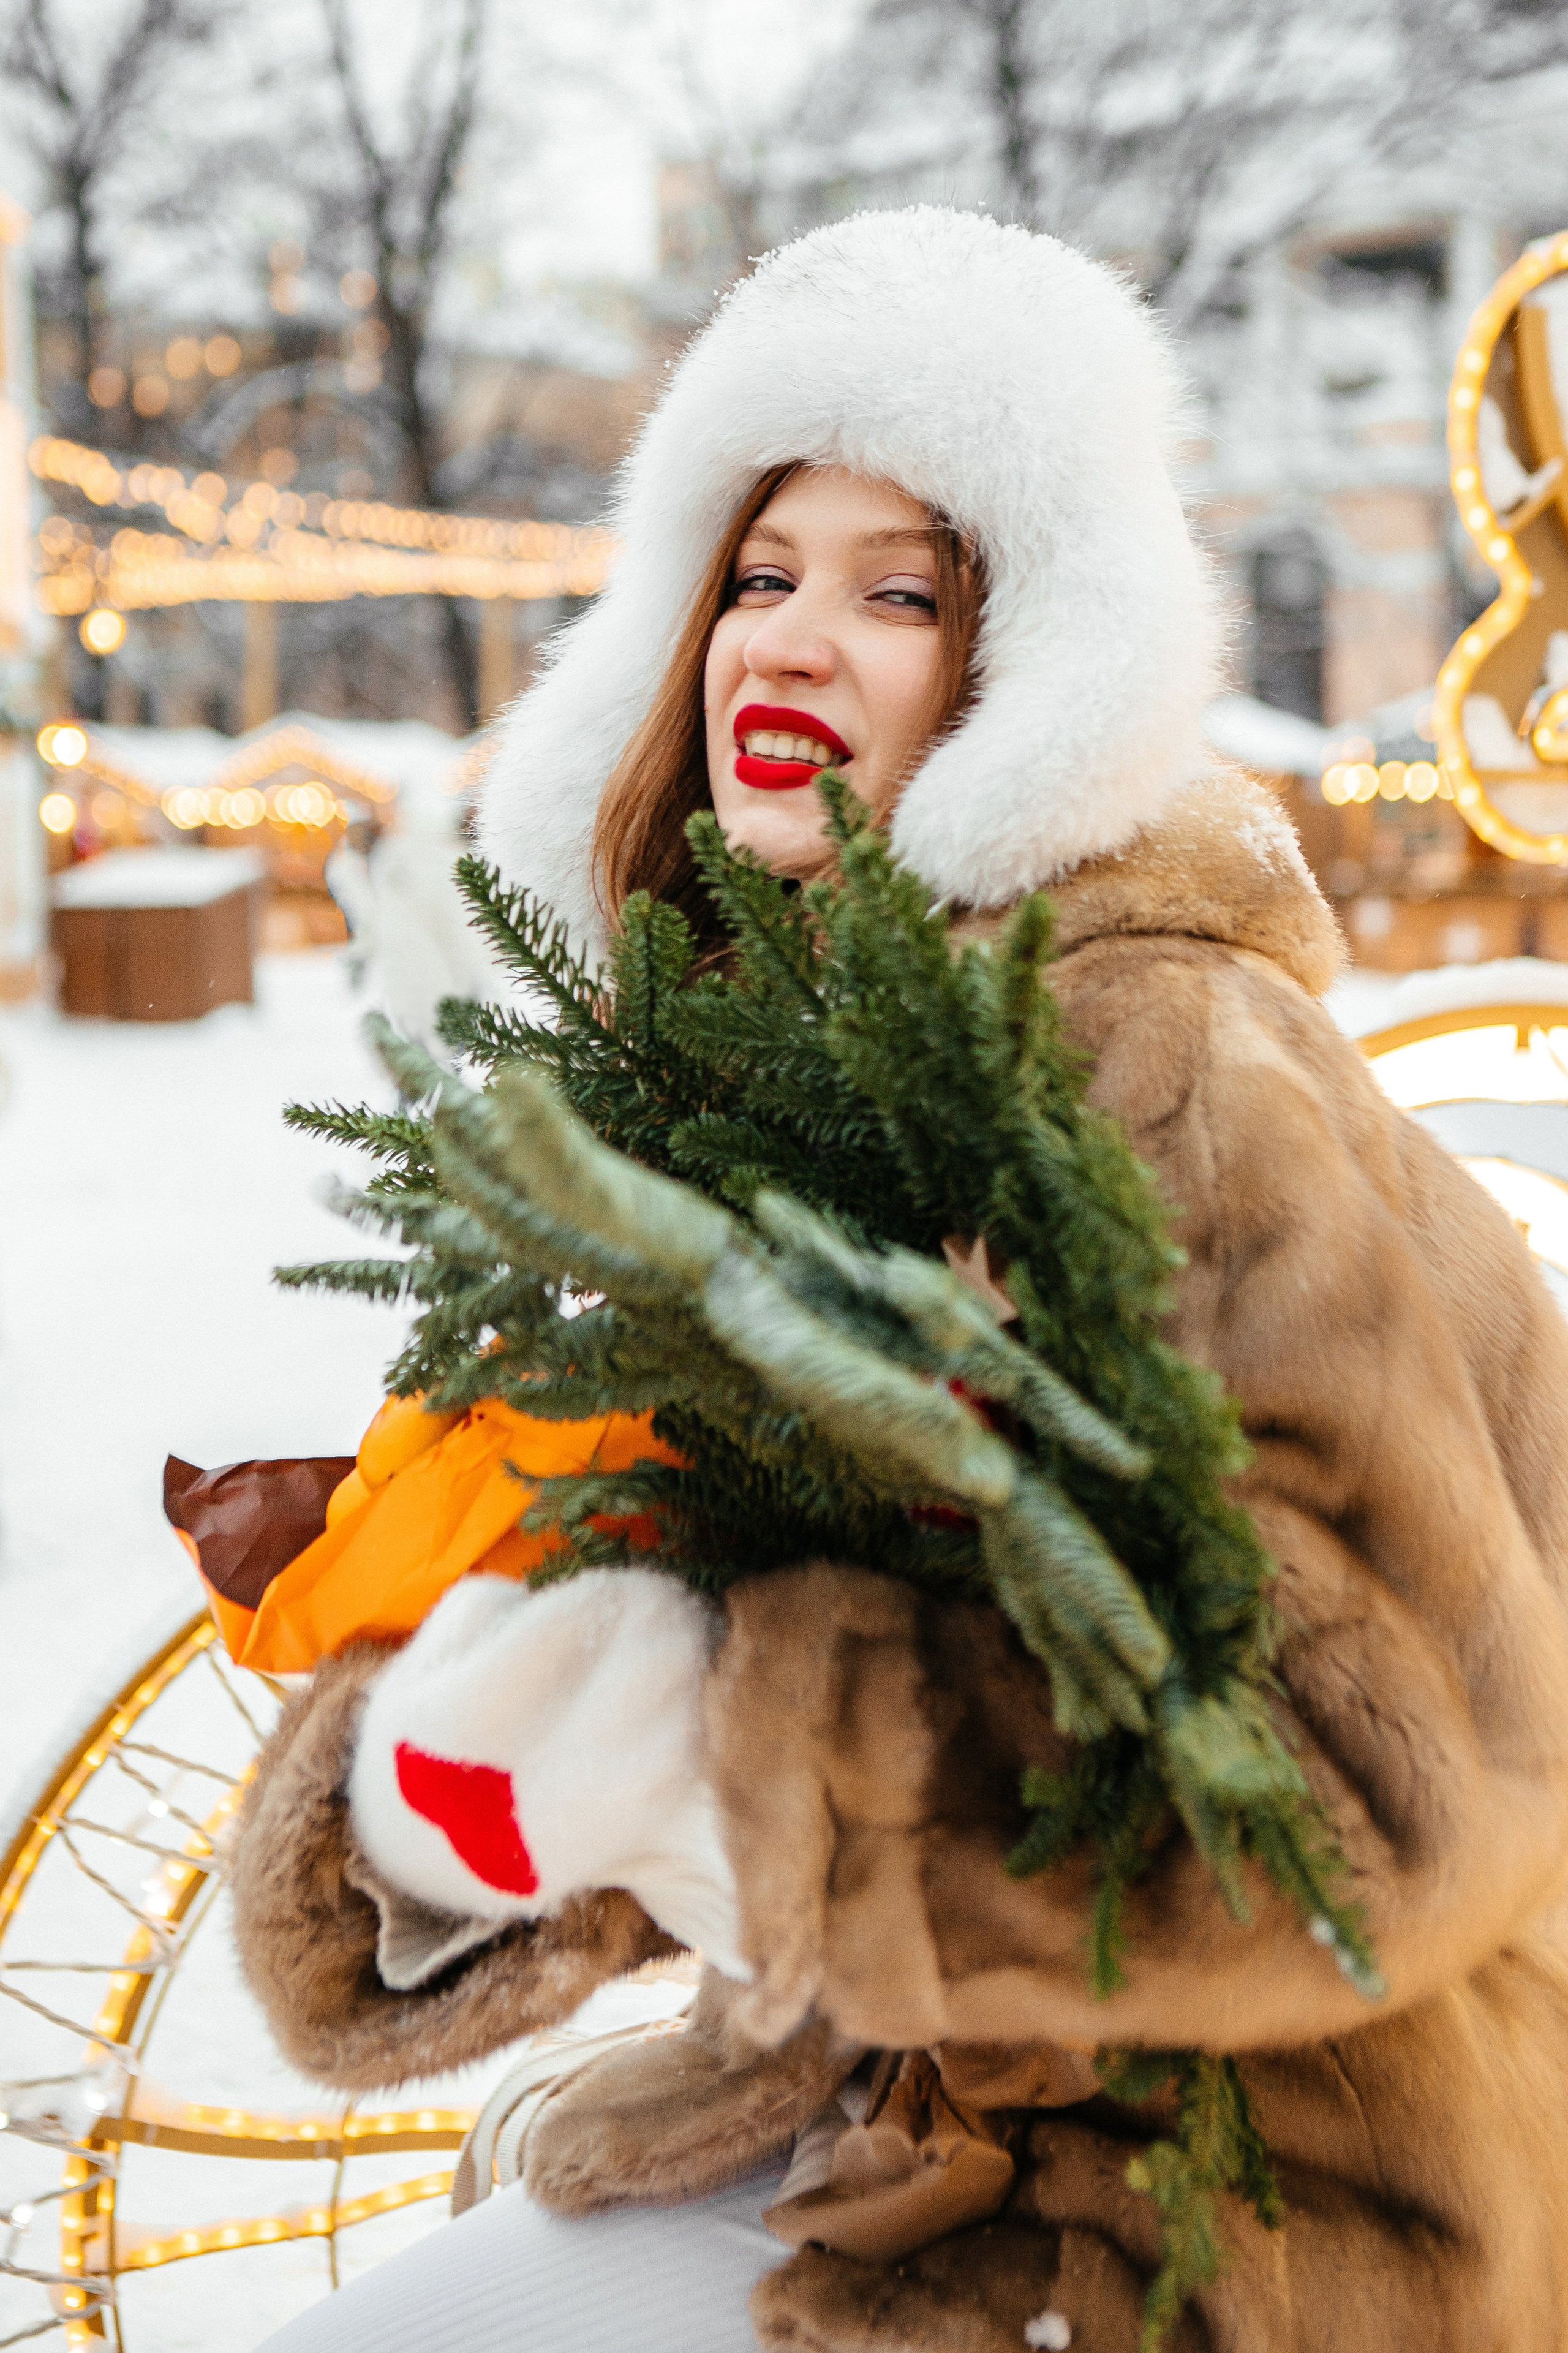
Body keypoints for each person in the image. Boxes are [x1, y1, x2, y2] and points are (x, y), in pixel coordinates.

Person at [235, 207, 1568, 2352]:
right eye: (757, 575)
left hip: (1267, 2194)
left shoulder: (1160, 1064)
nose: (788, 640)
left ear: (1028, 656)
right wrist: (468, 1787)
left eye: (894, 591)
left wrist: (716, 1765)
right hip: (911, 2115)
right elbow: (649, 1596)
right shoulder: (756, 1071)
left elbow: (1392, 1789)